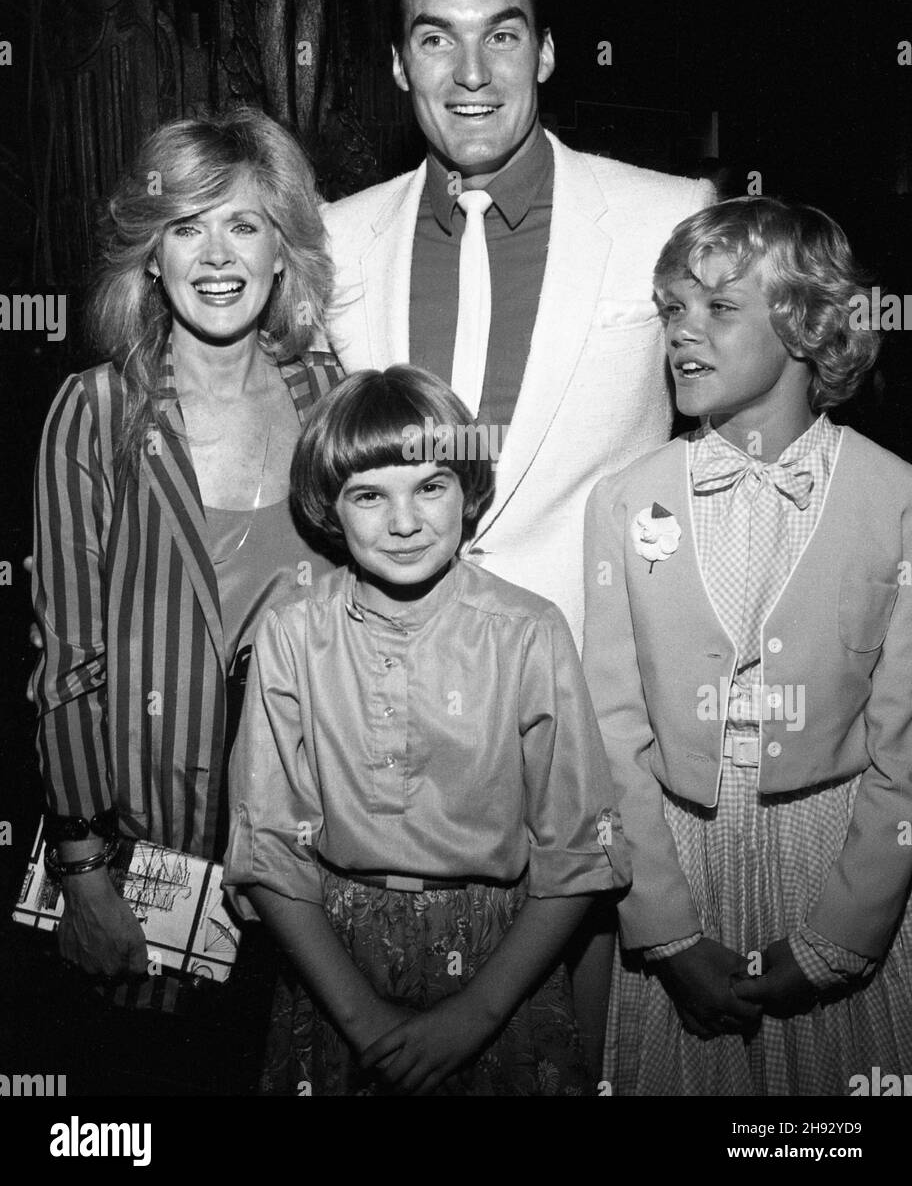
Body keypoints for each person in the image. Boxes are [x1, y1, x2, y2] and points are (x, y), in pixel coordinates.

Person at [223, 365, 631, 1095]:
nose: (405, 523)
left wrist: (476, 1014)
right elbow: (269, 850)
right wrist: (365, 1023)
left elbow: (579, 853)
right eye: (370, 496)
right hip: (333, 957)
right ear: (328, 508)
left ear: (467, 490)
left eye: (430, 487)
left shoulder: (528, 632)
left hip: (503, 960)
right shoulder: (292, 636)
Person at [582, 195, 912, 1095]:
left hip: (835, 858)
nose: (682, 332)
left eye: (720, 307)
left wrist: (841, 935)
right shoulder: (625, 501)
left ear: (806, 326)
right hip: (678, 859)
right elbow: (612, 734)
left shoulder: (895, 500)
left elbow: (906, 751)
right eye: (672, 309)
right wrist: (667, 932)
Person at [29, 107, 339, 1021]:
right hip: (147, 866)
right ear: (150, 257)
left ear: (281, 252)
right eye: (186, 227)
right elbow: (68, 663)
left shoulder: (330, 399)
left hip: (311, 858)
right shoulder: (98, 411)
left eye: (243, 225)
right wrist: (84, 876)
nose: (216, 257)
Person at [322, 0, 716, 646]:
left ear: (545, 52)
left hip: (595, 669)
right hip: (388, 670)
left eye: (501, 37)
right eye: (436, 40)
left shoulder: (667, 217)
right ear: (400, 65)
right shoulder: (336, 241)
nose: (471, 73)